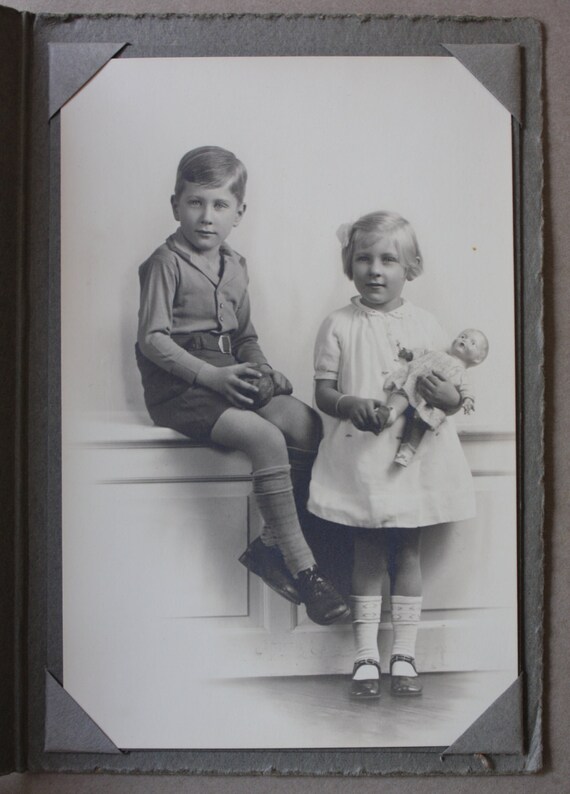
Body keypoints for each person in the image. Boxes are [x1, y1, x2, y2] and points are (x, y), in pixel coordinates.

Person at [135, 145, 349, 626]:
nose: (207, 216)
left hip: (226, 373)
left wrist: (264, 371)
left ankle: (273, 545)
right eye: (195, 202)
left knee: (304, 422)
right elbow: (151, 341)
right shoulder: (164, 263)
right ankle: (306, 570)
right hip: (180, 387)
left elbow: (245, 337)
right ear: (175, 205)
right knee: (265, 436)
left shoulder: (236, 266)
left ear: (239, 212)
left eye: (220, 205)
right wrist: (211, 375)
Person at [307, 211, 477, 697]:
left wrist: (449, 399)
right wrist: (349, 403)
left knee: (407, 550)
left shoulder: (427, 324)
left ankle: (404, 654)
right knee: (366, 550)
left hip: (415, 457)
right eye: (364, 258)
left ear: (411, 268)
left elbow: (450, 388)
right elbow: (322, 391)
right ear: (350, 265)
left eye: (388, 260)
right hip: (361, 455)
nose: (375, 270)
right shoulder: (338, 325)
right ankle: (364, 655)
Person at [383, 328, 489, 466]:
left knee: (420, 421)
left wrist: (468, 399)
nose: (464, 340)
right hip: (414, 384)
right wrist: (409, 354)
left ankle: (407, 451)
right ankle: (390, 412)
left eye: (472, 342)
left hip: (430, 402)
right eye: (462, 336)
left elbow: (467, 388)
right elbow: (422, 353)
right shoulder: (437, 353)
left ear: (477, 359)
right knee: (402, 393)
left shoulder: (462, 373)